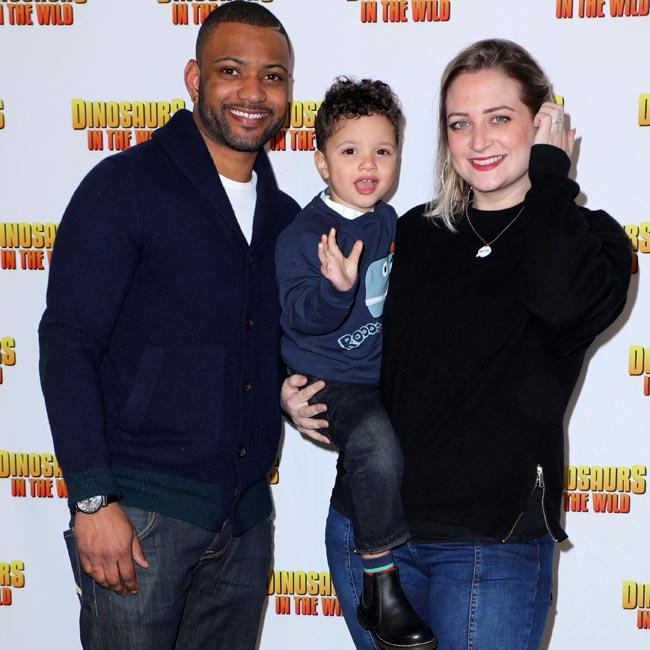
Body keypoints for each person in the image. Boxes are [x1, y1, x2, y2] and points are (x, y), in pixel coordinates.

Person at [283, 39, 631, 649]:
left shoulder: (591, 240)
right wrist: (296, 393)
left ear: (541, 124)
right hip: (372, 538)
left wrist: (551, 178)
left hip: (491, 547)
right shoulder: (410, 232)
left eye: (500, 118)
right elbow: (336, 332)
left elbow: (560, 306)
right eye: (459, 123)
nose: (478, 140)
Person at [38, 3, 299, 648]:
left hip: (244, 524)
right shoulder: (125, 186)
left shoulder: (287, 219)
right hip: (137, 518)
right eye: (230, 70)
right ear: (193, 78)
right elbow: (67, 342)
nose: (253, 92)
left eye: (272, 76)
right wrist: (92, 499)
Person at [276, 78, 436, 650]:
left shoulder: (387, 220)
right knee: (373, 443)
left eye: (382, 151)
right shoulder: (304, 235)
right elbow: (300, 317)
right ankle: (380, 584)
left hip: (377, 378)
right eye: (350, 151)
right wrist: (335, 290)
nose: (368, 165)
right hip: (328, 381)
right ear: (322, 162)